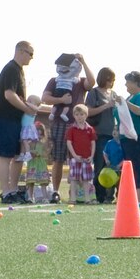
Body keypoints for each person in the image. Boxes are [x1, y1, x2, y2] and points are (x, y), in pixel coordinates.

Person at [40, 53, 92, 203]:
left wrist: (84, 61)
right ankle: (55, 192)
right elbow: (45, 98)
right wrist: (61, 100)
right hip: (59, 123)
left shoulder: (80, 81)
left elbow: (92, 82)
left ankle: (77, 192)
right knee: (58, 158)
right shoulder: (54, 81)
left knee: (78, 158)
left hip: (78, 125)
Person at [0, 41, 36, 203]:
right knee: (5, 156)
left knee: (18, 155)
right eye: (30, 53)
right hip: (4, 118)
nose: (32, 57)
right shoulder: (11, 69)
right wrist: (26, 108)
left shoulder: (19, 70)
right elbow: (9, 95)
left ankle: (14, 189)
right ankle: (6, 192)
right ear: (21, 51)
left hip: (15, 120)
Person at [113, 70, 140, 202]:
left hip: (138, 136)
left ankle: (139, 197)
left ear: (136, 83)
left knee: (137, 165)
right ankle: (129, 196)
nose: (126, 85)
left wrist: (125, 103)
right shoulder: (131, 96)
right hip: (127, 137)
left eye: (128, 82)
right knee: (129, 166)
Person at [83, 66, 120, 203]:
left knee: (113, 164)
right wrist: (106, 106)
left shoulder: (113, 93)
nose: (112, 82)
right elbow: (88, 111)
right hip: (99, 134)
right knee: (99, 165)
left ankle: (112, 195)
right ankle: (99, 195)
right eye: (110, 80)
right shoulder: (94, 93)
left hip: (113, 135)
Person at [62, 105, 96, 203]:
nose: (79, 117)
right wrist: (75, 155)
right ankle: (72, 198)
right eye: (77, 114)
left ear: (86, 115)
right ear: (74, 115)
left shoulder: (90, 129)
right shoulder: (72, 129)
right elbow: (69, 142)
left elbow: (93, 143)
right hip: (75, 158)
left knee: (86, 179)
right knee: (74, 179)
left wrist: (92, 155)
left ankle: (87, 198)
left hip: (87, 158)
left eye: (81, 114)